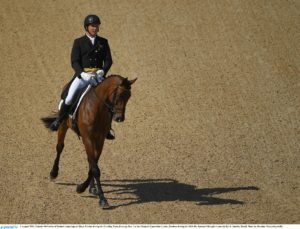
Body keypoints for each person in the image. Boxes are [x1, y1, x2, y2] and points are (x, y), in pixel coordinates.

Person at [49, 14, 114, 139]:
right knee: (68, 98)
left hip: (97, 77)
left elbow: (108, 60)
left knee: (110, 100)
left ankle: (108, 128)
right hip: (82, 76)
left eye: (96, 26)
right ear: (87, 27)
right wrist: (81, 73)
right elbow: (74, 61)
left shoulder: (103, 42)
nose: (95, 28)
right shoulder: (78, 42)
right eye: (92, 26)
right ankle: (59, 120)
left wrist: (102, 71)